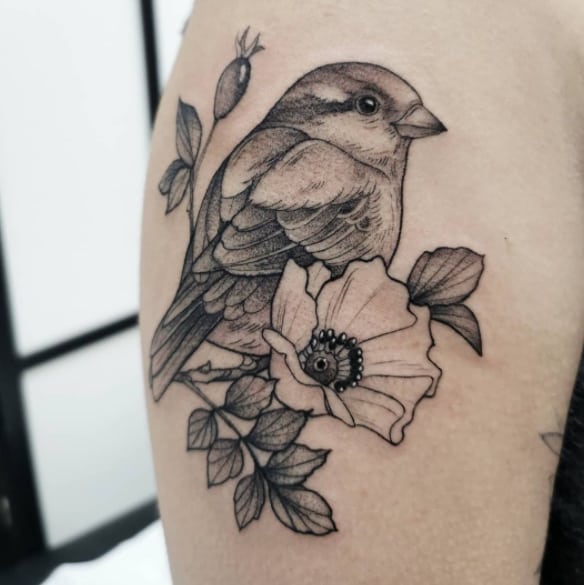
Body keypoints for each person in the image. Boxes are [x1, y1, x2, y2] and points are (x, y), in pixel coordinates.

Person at [139, 1, 584, 582]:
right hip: (247, 288)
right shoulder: (358, 164)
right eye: (372, 108)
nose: (414, 122)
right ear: (324, 112)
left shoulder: (271, 147)